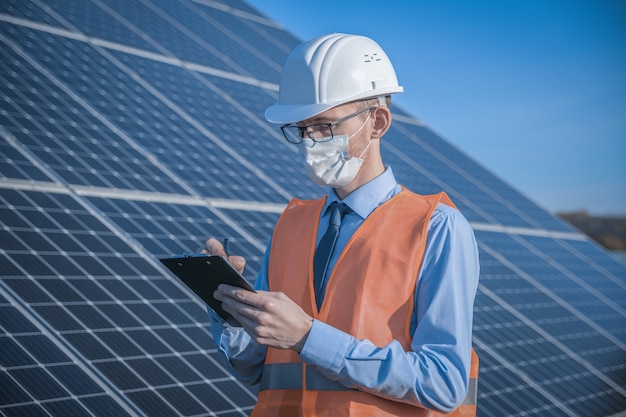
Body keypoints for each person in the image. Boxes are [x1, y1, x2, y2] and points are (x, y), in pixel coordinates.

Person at [206, 33, 480, 416]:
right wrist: (232, 314)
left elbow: (445, 383)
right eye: (302, 129)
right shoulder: (291, 224)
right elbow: (256, 370)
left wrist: (307, 337)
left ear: (377, 122)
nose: (311, 141)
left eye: (324, 125)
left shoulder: (436, 228)